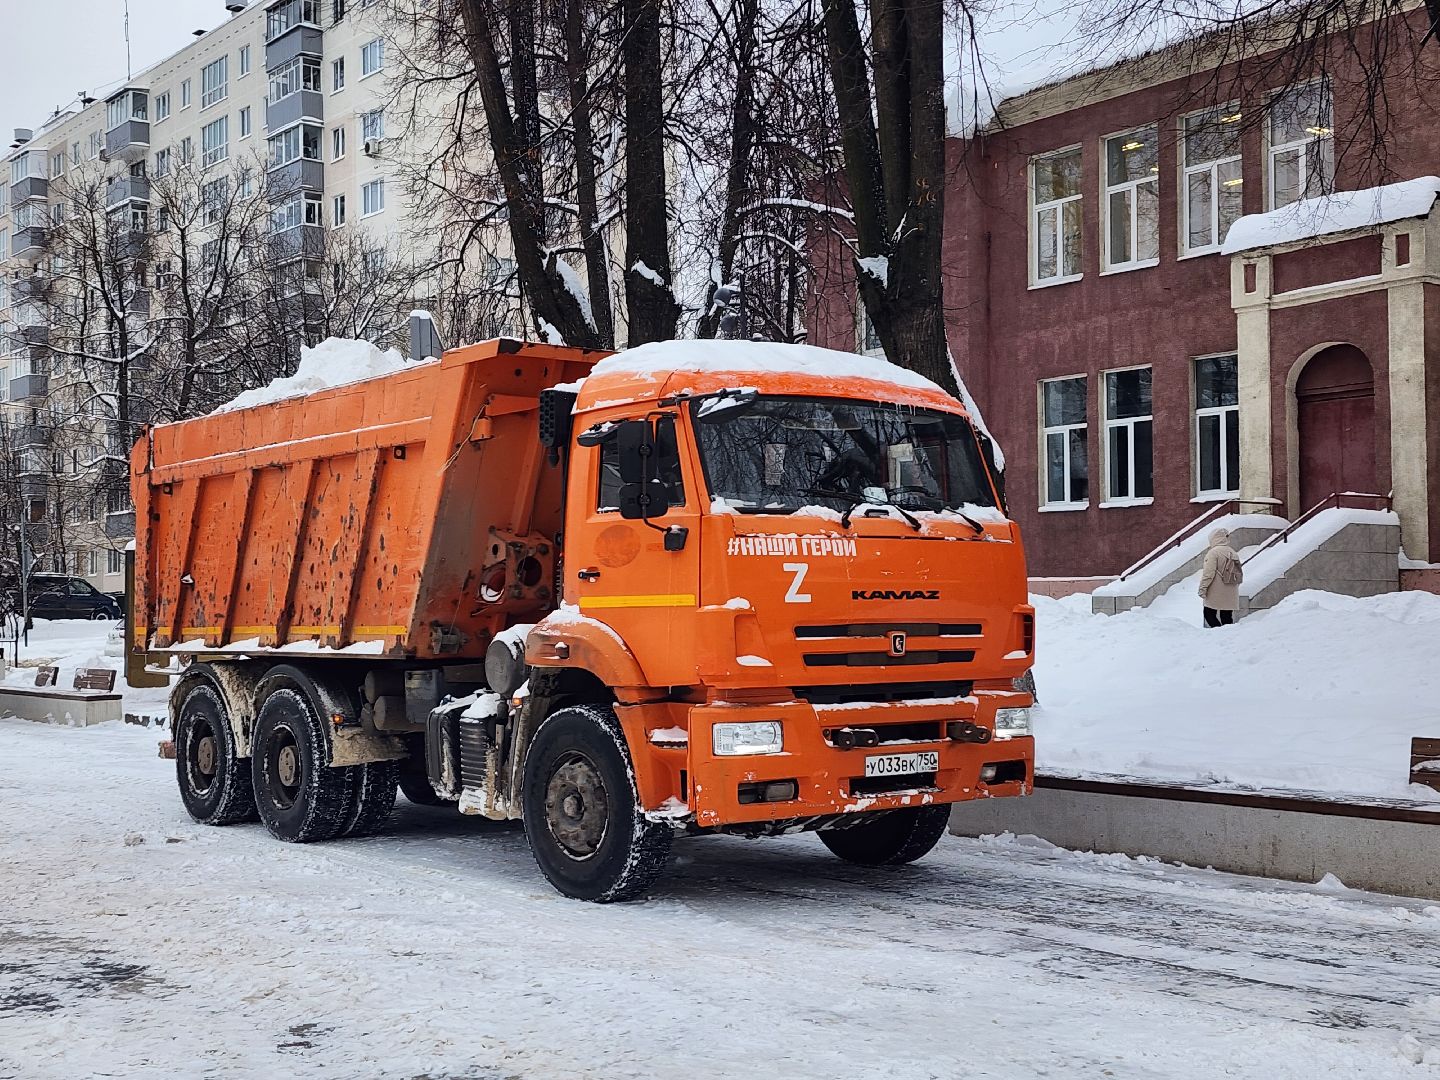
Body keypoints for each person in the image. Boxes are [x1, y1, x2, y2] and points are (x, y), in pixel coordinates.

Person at [1198, 527, 1243, 627]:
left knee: (1209, 614)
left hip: (1216, 591)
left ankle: (1218, 635)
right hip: (1231, 590)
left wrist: (1203, 588)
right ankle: (1227, 637)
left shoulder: (1213, 553)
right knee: (1227, 617)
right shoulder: (1233, 552)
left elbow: (1208, 574)